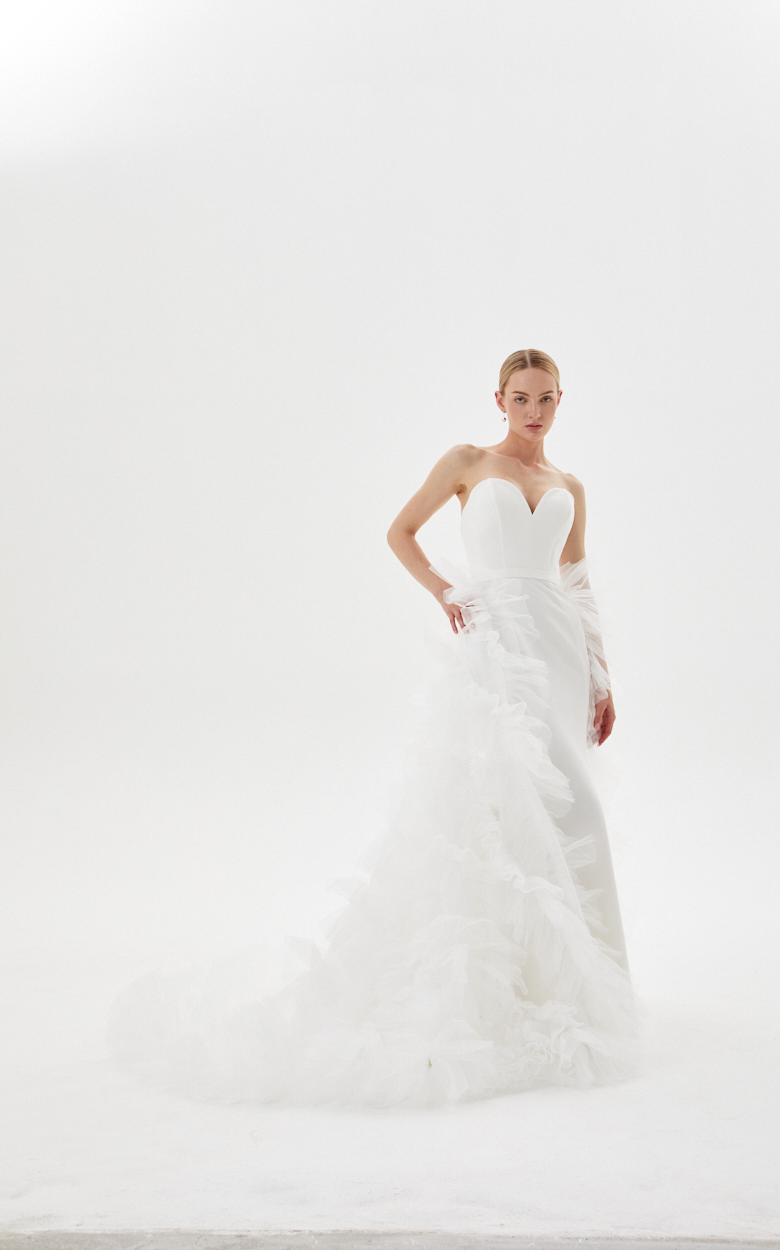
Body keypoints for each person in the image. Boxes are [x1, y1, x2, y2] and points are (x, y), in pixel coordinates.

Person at [109, 349, 638, 1106]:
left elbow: (577, 580)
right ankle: (501, 994)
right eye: (520, 398)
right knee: (506, 804)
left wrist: (601, 675)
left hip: (557, 647)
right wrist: (446, 592)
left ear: (561, 399)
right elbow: (401, 532)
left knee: (574, 812)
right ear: (498, 398)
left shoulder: (568, 486)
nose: (533, 412)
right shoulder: (467, 461)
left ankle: (585, 993)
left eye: (545, 398)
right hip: (498, 644)